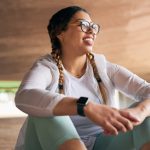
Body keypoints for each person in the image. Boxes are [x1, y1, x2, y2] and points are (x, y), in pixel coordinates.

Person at [15, 5, 150, 150]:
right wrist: (84, 106)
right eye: (83, 25)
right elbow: (24, 95)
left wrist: (139, 112)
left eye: (93, 26)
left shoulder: (105, 68)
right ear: (60, 32)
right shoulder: (46, 67)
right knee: (45, 111)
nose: (92, 31)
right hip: (50, 144)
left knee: (148, 115)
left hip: (102, 142)